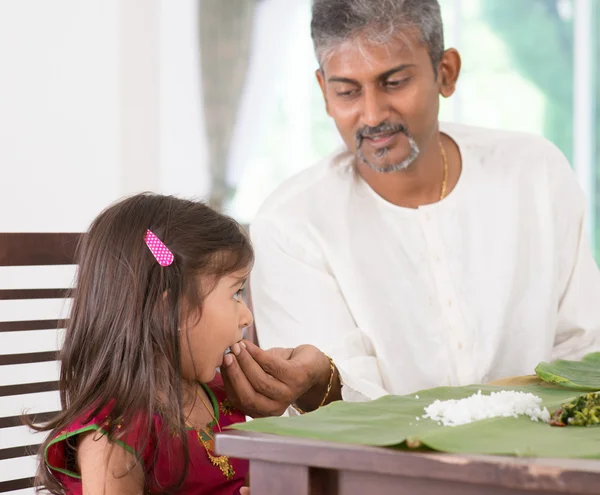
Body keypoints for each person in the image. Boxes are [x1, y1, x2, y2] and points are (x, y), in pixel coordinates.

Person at [220, 0, 600, 412]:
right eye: (347, 91)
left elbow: (583, 347)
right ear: (324, 93)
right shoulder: (291, 223)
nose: (372, 115)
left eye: (394, 82)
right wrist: (322, 382)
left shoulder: (534, 173)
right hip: (385, 473)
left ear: (446, 72)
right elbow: (345, 410)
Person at [29, 194, 257, 495]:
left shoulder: (222, 396)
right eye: (235, 293)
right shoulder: (114, 438)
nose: (247, 317)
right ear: (170, 308)